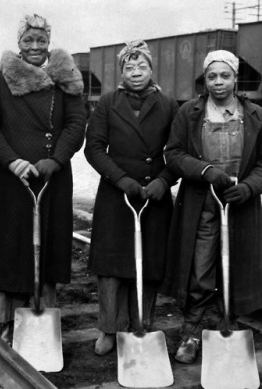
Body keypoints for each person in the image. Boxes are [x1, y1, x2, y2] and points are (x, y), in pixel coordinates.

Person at [163, 50, 262, 364]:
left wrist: (249, 188)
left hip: (239, 204)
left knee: (236, 266)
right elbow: (173, 153)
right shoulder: (190, 112)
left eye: (224, 75)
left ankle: (229, 324)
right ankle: (190, 331)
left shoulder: (255, 115)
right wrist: (204, 170)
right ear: (205, 79)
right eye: (212, 76)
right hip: (202, 203)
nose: (218, 82)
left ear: (235, 77)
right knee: (200, 269)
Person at [0, 14, 86, 343]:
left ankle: (43, 310)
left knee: (50, 242)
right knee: (10, 243)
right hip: (13, 177)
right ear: (19, 43)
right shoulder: (1, 80)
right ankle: (5, 316)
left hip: (52, 176)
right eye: (28, 40)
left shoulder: (65, 77)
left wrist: (55, 159)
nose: (34, 47)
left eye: (40, 40)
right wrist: (12, 161)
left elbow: (75, 124)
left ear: (48, 42)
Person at [84, 40, 179, 356]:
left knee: (148, 262)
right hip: (117, 195)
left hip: (153, 197)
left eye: (142, 67)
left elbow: (180, 153)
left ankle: (143, 324)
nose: (136, 72)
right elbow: (94, 148)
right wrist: (120, 178)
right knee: (111, 263)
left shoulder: (168, 105)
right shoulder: (107, 103)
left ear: (151, 70)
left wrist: (165, 182)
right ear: (121, 72)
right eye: (129, 67)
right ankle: (109, 329)